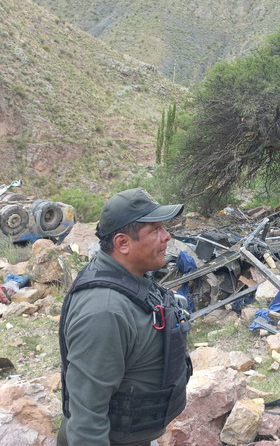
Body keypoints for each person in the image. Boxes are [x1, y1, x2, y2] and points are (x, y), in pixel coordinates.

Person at [58, 188, 191, 446]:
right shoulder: (104, 312)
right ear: (122, 243)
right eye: (155, 230)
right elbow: (86, 422)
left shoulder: (134, 278)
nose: (167, 236)